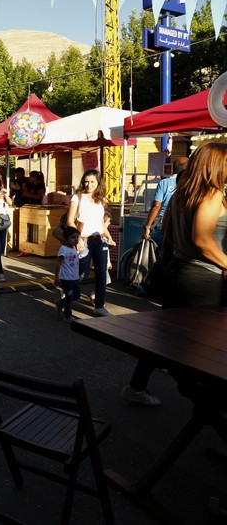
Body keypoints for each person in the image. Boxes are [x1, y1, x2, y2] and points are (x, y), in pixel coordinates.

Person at [122, 143, 227, 406]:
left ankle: (137, 385)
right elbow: (203, 241)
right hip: (204, 277)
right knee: (209, 345)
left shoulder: (182, 193)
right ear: (216, 165)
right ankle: (203, 401)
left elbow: (167, 231)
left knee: (164, 332)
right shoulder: (211, 195)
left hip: (179, 271)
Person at [67, 169, 113, 317]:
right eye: (86, 181)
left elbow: (100, 222)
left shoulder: (100, 199)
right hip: (84, 240)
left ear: (98, 182)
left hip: (99, 240)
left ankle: (99, 306)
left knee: (101, 274)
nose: (89, 184)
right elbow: (69, 221)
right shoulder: (77, 197)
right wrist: (78, 238)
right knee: (81, 274)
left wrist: (109, 237)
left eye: (92, 181)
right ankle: (67, 294)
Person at [143, 156, 188, 251]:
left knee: (156, 250)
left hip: (164, 225)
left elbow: (156, 206)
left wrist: (148, 226)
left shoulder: (164, 183)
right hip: (182, 228)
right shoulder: (190, 183)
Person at [54, 226, 82, 323]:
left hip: (74, 277)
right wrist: (56, 277)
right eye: (73, 237)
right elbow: (58, 263)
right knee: (69, 296)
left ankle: (60, 303)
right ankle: (67, 316)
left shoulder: (73, 248)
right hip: (66, 278)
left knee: (77, 295)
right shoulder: (63, 249)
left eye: (77, 237)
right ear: (65, 239)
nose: (75, 239)